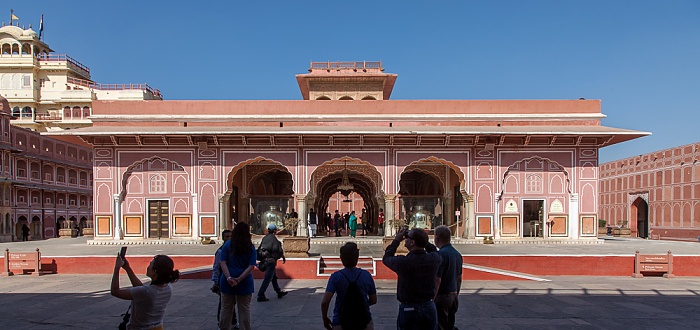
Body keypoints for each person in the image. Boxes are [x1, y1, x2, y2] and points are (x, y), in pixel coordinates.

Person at [383, 228, 442, 330]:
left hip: (409, 307)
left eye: (407, 237)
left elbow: (387, 257)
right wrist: (423, 241)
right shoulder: (433, 259)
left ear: (412, 242)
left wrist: (396, 240)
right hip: (429, 305)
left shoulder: (404, 262)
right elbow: (433, 250)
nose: (406, 239)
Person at [111, 254, 180, 330]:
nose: (148, 267)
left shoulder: (146, 292)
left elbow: (115, 291)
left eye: (150, 265)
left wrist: (117, 268)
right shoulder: (168, 288)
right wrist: (127, 268)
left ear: (154, 271)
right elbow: (141, 289)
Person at [321, 242, 377, 330]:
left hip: (340, 321)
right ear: (357, 257)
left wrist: (325, 318)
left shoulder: (335, 277)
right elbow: (373, 300)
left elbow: (325, 302)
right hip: (364, 321)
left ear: (341, 258)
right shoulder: (366, 275)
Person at [219, 222, 256, 330]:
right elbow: (251, 266)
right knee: (244, 309)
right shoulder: (250, 247)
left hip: (227, 281)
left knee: (226, 309)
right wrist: (239, 279)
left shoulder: (227, 245)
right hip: (244, 282)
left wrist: (229, 277)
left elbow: (222, 262)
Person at [434, 225, 462, 330]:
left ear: (437, 239)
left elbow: (437, 280)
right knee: (450, 324)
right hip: (453, 295)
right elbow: (459, 278)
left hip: (442, 296)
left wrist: (433, 297)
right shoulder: (457, 254)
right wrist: (456, 294)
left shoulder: (441, 255)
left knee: (441, 325)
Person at [212, 230, 238, 329]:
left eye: (230, 236)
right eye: (227, 237)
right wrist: (215, 282)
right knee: (223, 303)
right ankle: (221, 322)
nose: (229, 239)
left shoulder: (234, 250)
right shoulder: (220, 251)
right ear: (223, 238)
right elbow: (216, 267)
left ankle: (233, 322)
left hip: (233, 279)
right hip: (223, 280)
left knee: (231, 302)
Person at [257, 223, 288, 302]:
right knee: (267, 279)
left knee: (273, 278)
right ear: (275, 231)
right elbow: (277, 250)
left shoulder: (265, 238)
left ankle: (279, 292)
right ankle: (260, 295)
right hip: (270, 262)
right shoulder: (274, 240)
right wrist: (281, 256)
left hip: (265, 260)